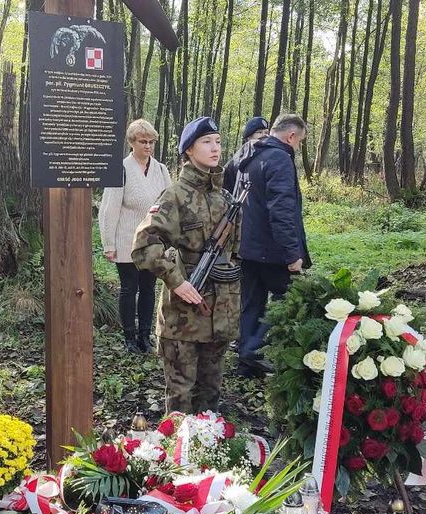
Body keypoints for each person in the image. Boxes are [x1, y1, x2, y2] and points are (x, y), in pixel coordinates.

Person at [132, 116, 240, 413]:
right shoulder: (175, 196)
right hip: (183, 317)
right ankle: (177, 457)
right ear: (188, 150)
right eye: (206, 142)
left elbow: (236, 252)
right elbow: (144, 244)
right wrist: (176, 279)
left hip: (220, 315)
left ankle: (209, 454)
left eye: (217, 141)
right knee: (180, 398)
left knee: (211, 396)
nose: (215, 148)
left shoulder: (227, 199)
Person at [229, 114, 311, 377]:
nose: (297, 147)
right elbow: (282, 209)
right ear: (291, 136)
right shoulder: (279, 158)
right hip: (272, 250)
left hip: (247, 247)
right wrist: (292, 253)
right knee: (288, 301)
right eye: (299, 142)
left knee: (251, 303)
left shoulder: (247, 154)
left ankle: (245, 364)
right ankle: (254, 349)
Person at [99, 119, 172, 353]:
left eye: (151, 142)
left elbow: (170, 205)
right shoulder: (121, 169)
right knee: (129, 289)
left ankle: (145, 337)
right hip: (126, 239)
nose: (148, 146)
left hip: (153, 242)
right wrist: (109, 243)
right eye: (143, 141)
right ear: (132, 142)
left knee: (149, 288)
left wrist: (169, 240)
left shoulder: (161, 170)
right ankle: (129, 337)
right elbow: (109, 208)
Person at [223, 116, 270, 193]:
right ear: (249, 137)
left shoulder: (272, 156)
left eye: (266, 132)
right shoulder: (238, 160)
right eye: (259, 132)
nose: (264, 135)